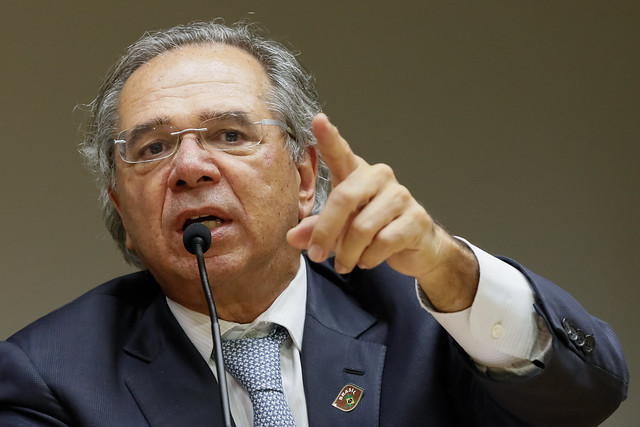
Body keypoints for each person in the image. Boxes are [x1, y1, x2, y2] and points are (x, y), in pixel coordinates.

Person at [0, 20, 628, 426]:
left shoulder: (429, 318)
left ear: (304, 180)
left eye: (229, 134)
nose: (190, 167)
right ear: (122, 211)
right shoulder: (48, 377)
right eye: (154, 148)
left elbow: (589, 396)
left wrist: (449, 266)